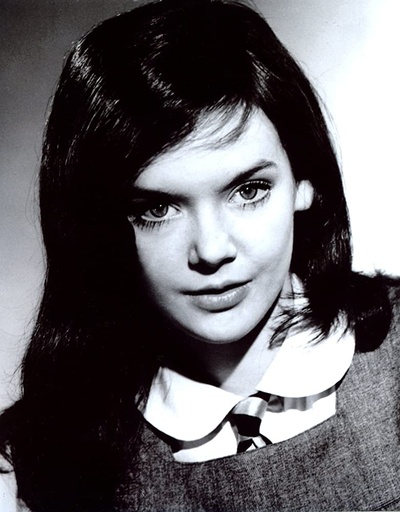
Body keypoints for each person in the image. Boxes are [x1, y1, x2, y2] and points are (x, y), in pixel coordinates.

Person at [1, 0, 399, 510]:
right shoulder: (28, 470)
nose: (211, 251)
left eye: (249, 191)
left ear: (305, 183)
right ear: (98, 226)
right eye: (157, 209)